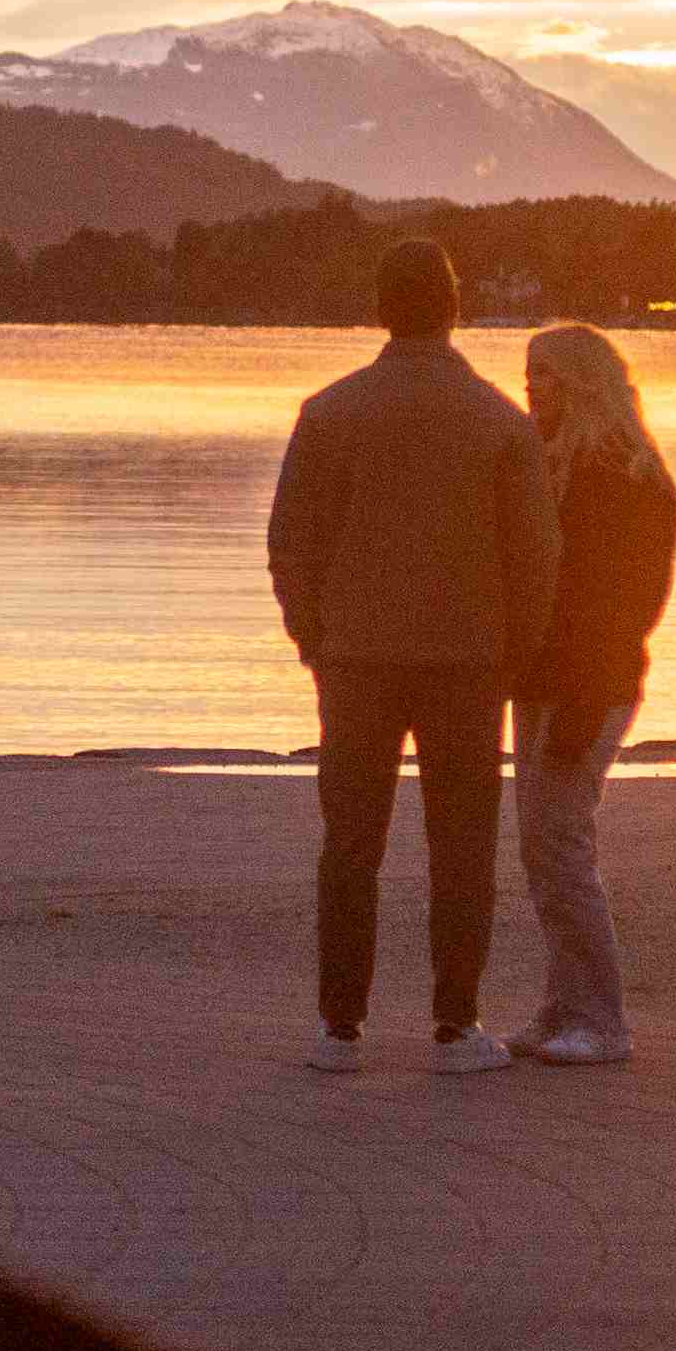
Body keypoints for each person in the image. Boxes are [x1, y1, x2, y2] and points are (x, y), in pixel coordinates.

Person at [263, 235, 558, 1075]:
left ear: (380, 309)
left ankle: (340, 1029)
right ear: (455, 307)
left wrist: (314, 637)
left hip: (355, 658)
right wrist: (516, 654)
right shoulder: (502, 422)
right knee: (463, 847)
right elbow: (536, 558)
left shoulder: (330, 414)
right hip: (469, 663)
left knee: (350, 844)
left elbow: (290, 541)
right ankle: (456, 1026)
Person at [507, 323, 676, 1068]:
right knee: (542, 848)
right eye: (527, 374)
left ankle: (603, 1020)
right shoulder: (556, 466)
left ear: (579, 382)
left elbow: (623, 604)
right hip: (543, 680)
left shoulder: (624, 476)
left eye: (543, 375)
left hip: (592, 684)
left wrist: (581, 703)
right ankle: (563, 1004)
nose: (530, 388)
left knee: (562, 846)